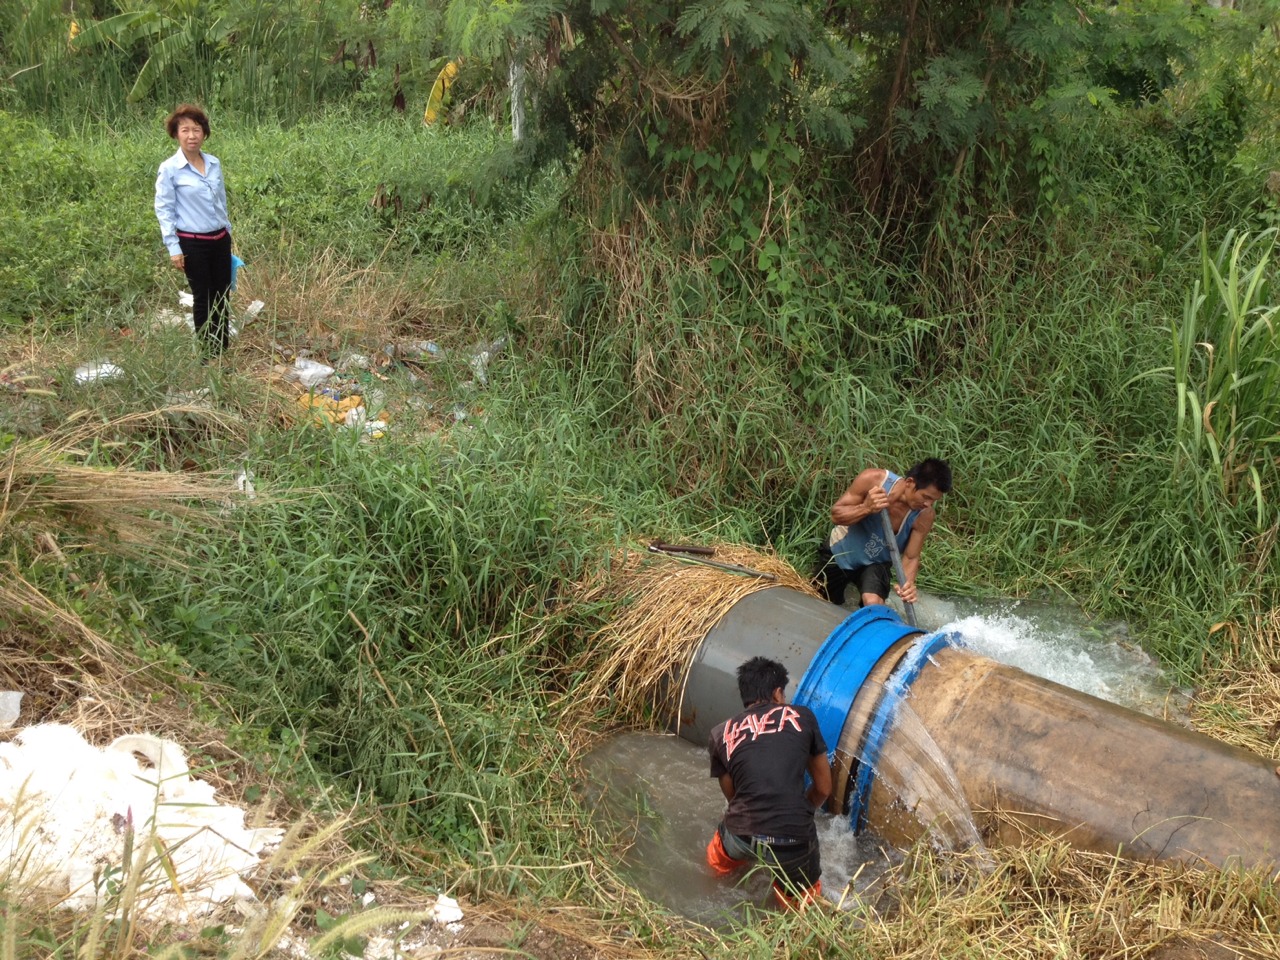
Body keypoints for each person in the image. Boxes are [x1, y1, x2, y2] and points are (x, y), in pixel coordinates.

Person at [705, 656, 832, 910]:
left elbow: (733, 798)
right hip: (794, 841)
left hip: (741, 835)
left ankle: (713, 879)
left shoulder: (719, 734)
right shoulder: (803, 717)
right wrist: (802, 811)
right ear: (777, 694)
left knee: (716, 860)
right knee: (804, 909)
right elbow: (823, 788)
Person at [813, 458, 952, 608]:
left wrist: (907, 584)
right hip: (840, 552)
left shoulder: (925, 515)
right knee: (820, 602)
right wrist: (866, 508)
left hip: (876, 563)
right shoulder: (872, 480)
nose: (928, 504)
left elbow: (911, 556)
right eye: (926, 497)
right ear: (910, 482)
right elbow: (836, 515)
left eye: (933, 501)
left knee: (873, 604)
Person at [154, 104, 234, 357]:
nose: (191, 135)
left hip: (220, 239)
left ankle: (222, 349)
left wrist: (228, 232)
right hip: (192, 243)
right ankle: (206, 354)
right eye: (185, 130)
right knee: (203, 297)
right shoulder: (169, 169)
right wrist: (174, 248)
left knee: (222, 296)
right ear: (176, 134)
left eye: (197, 130)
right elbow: (164, 209)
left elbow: (221, 200)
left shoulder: (213, 163)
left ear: (204, 133)